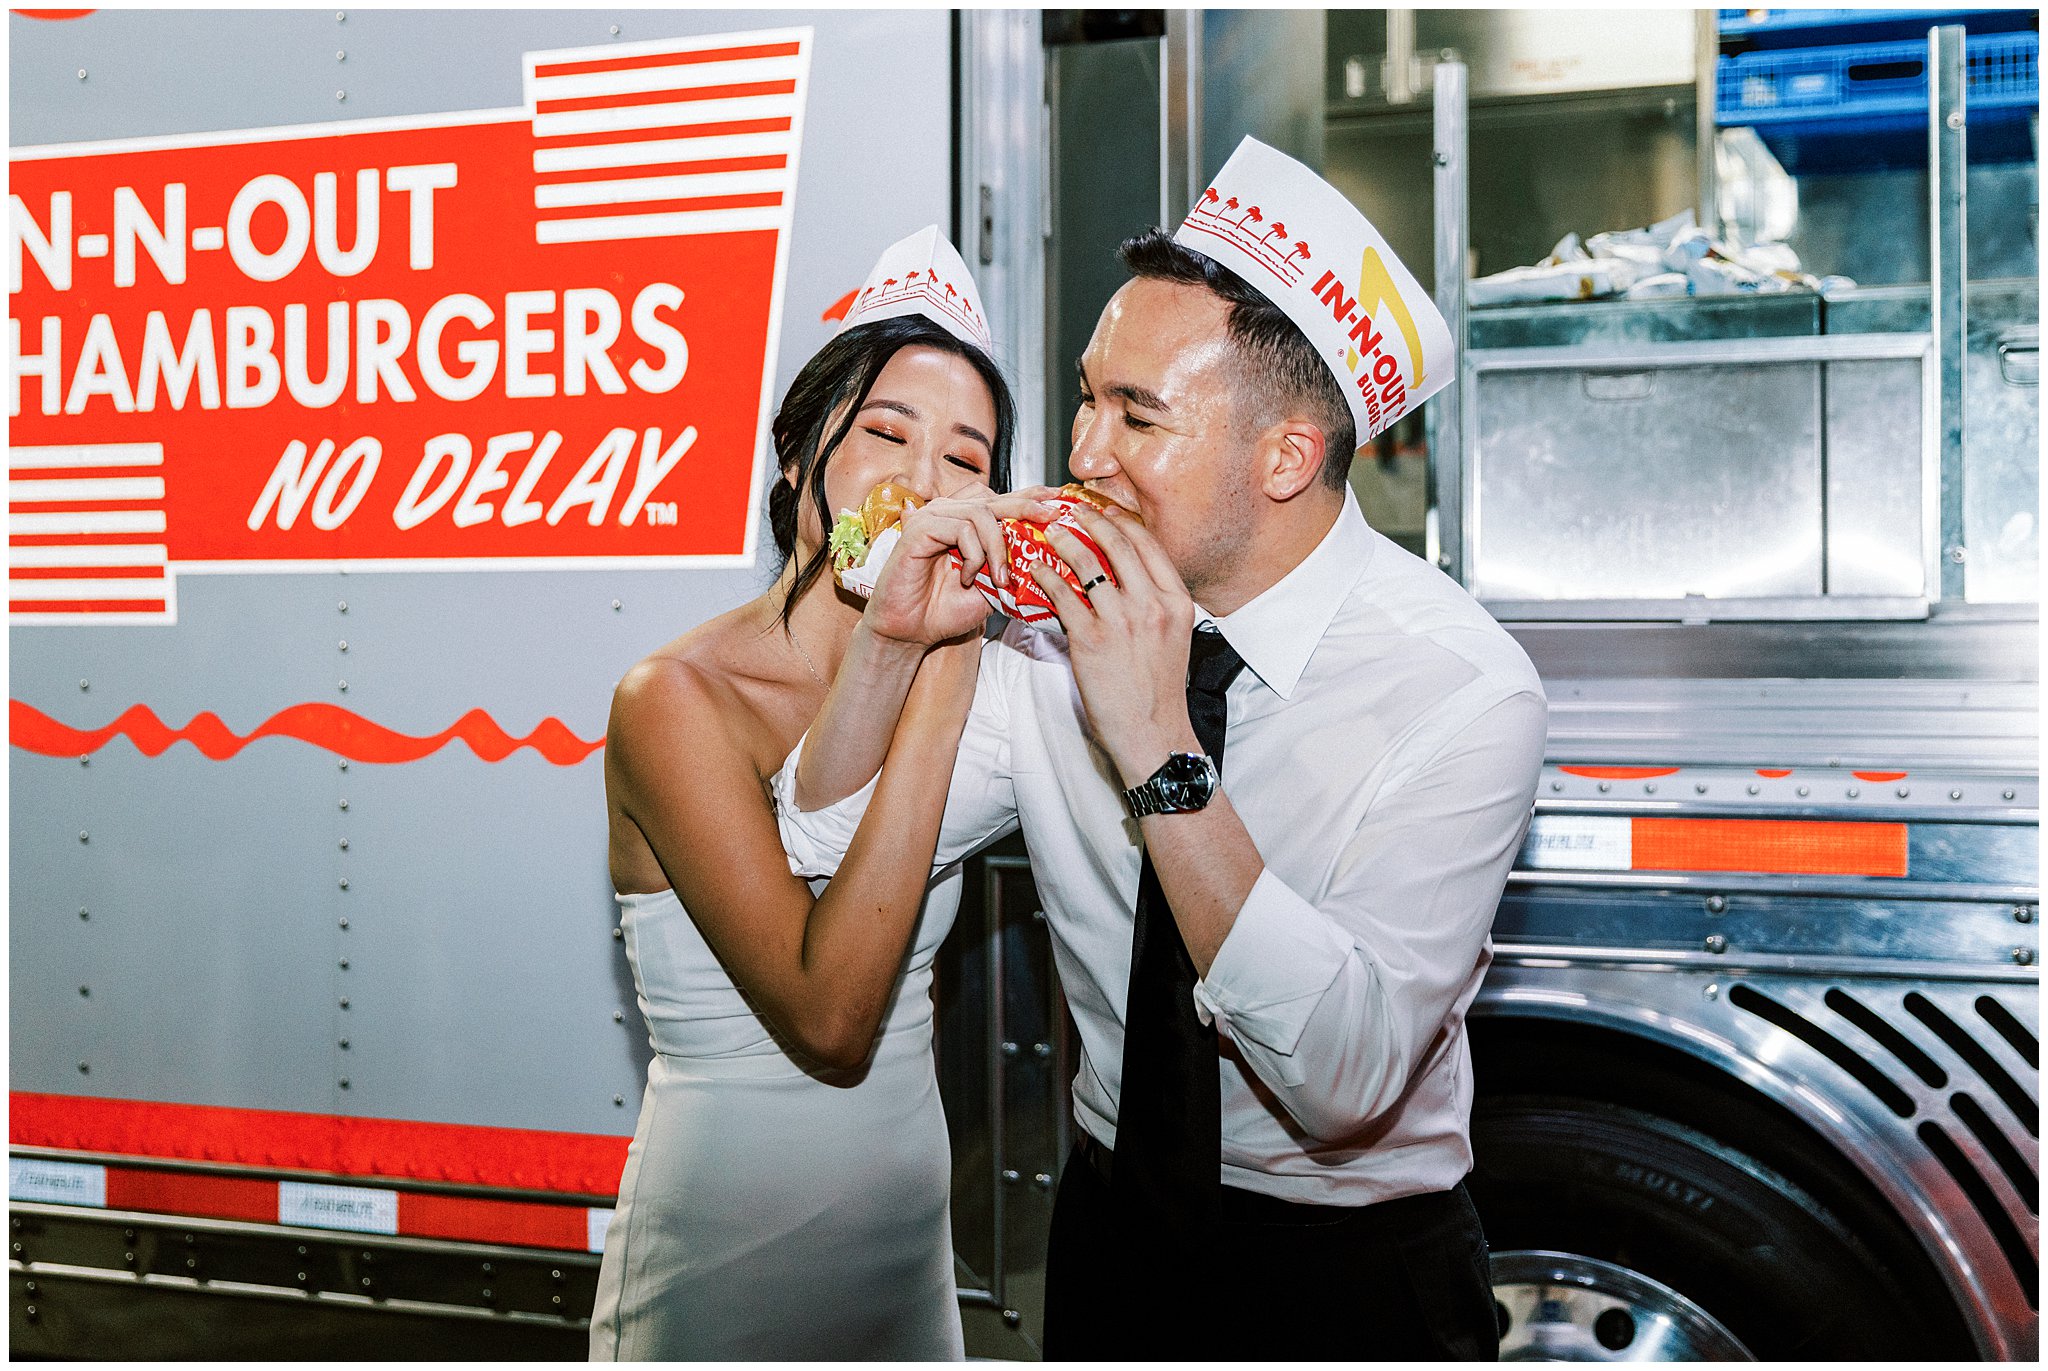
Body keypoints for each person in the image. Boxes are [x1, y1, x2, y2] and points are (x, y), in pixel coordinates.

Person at [775, 140, 1547, 1360]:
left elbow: (1343, 1080)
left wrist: (1153, 743)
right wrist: (893, 642)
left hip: (1349, 1279)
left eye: (1137, 415)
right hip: (1108, 1237)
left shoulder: (1458, 688)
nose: (1081, 454)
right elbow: (817, 843)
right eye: (1086, 395)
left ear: (1284, 458)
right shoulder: (1043, 625)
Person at [589, 226, 1045, 1360]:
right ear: (799, 460)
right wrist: (939, 657)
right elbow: (829, 1016)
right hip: (727, 1242)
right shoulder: (676, 699)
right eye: (884, 434)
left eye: (965, 460)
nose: (920, 485)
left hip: (903, 1228)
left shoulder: (993, 687)